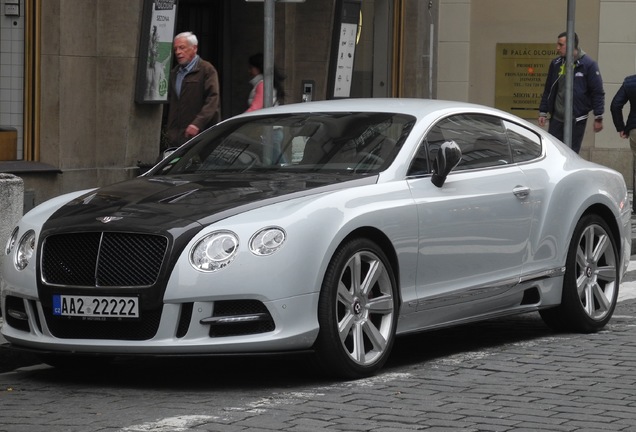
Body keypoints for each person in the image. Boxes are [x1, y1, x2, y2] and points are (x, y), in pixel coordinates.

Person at [538, 32, 605, 154]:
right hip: (557, 117)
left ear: (571, 45)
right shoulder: (556, 63)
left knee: (571, 154)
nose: (557, 48)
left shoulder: (588, 65)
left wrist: (598, 116)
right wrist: (543, 111)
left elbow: (597, 92)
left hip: (577, 118)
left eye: (560, 45)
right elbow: (549, 89)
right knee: (553, 152)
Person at [164, 31, 220, 148]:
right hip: (177, 135)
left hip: (202, 134)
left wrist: (197, 124)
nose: (178, 52)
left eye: (182, 48)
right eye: (176, 49)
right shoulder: (175, 73)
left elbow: (213, 99)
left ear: (194, 48)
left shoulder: (206, 69)